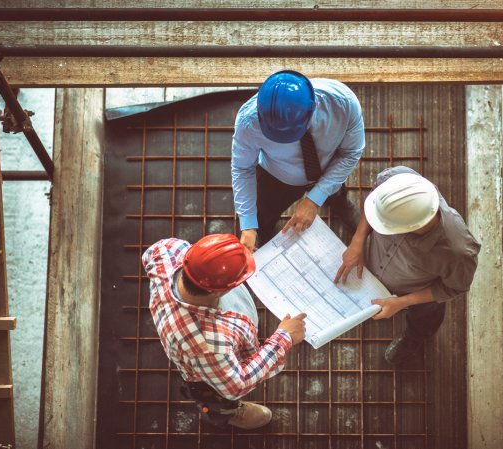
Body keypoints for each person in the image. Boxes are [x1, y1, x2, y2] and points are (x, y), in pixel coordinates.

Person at [142, 234, 306, 429]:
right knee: (216, 397)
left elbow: (149, 255)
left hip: (203, 345)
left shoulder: (168, 250)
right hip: (208, 371)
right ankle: (225, 413)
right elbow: (237, 385)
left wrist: (234, 254)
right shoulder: (207, 345)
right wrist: (283, 339)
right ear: (217, 291)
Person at [334, 166, 480, 365]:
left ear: (407, 228)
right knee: (358, 227)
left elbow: (454, 287)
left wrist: (401, 302)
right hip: (371, 252)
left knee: (424, 320)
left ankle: (415, 339)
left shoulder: (458, 252)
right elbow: (375, 202)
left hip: (411, 292)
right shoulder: (398, 179)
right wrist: (358, 241)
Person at [231, 70, 364, 251]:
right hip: (277, 176)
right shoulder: (249, 121)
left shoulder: (344, 104)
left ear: (314, 107)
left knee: (335, 195)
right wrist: (248, 225)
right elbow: (242, 168)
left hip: (327, 170)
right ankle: (264, 232)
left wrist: (314, 199)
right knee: (263, 218)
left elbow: (350, 153)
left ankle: (339, 205)